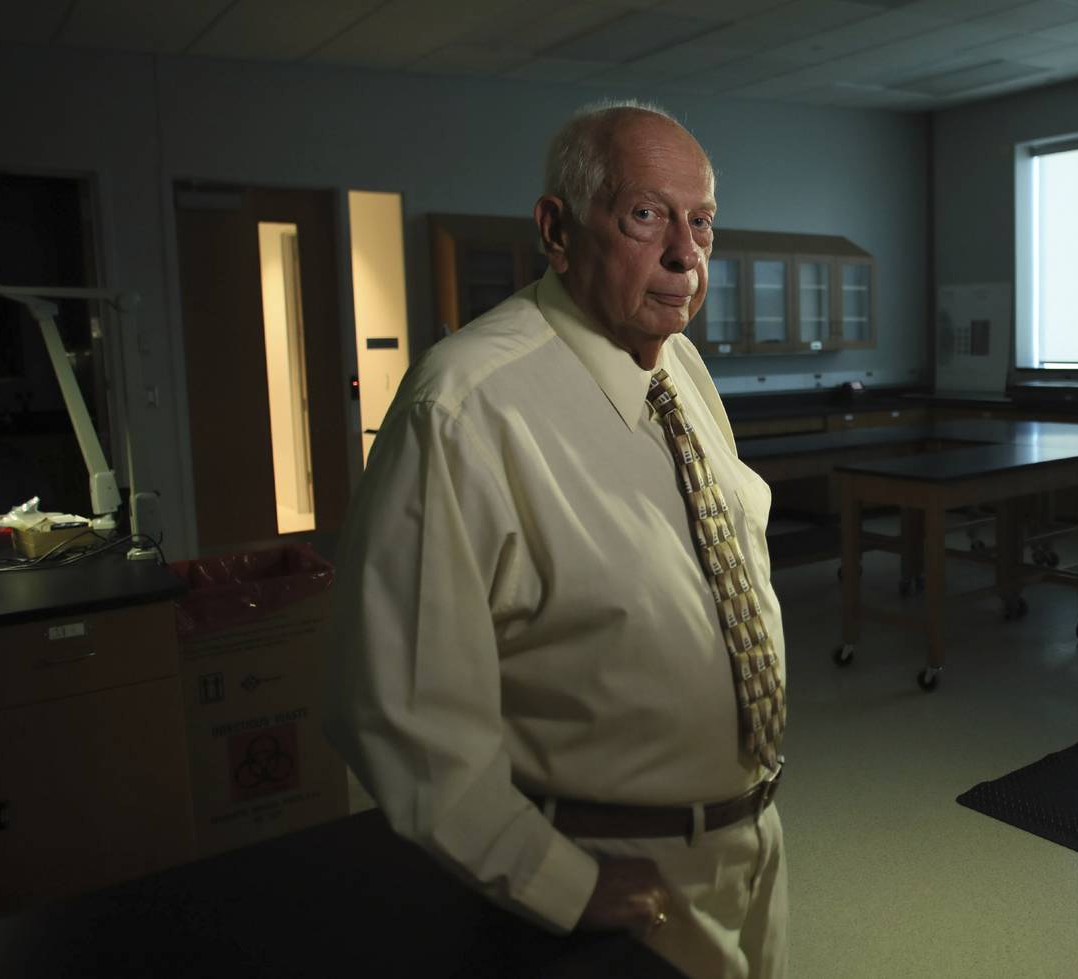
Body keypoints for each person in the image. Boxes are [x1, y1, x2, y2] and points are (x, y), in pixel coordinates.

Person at [322, 100, 787, 979]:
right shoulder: (464, 407)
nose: (685, 255)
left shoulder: (679, 367)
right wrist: (556, 880)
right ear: (557, 228)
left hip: (749, 848)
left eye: (702, 222)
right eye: (646, 215)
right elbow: (392, 706)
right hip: (609, 878)